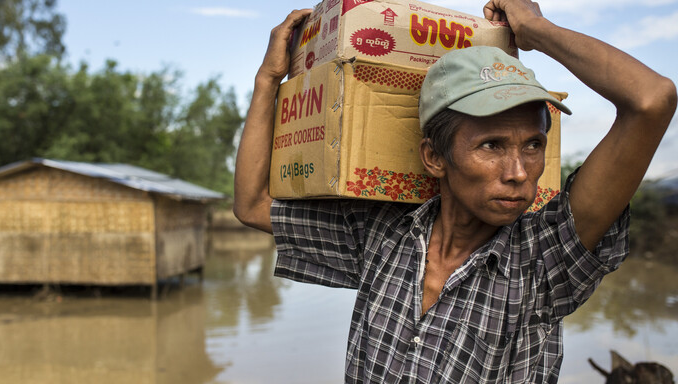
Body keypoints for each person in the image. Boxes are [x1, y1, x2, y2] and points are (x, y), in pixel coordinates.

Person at [234, 0, 676, 382]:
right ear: (434, 157)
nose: (519, 172)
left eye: (533, 145)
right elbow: (252, 205)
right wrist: (267, 81)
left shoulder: (545, 259)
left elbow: (651, 100)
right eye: (491, 146)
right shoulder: (382, 235)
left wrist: (536, 29)